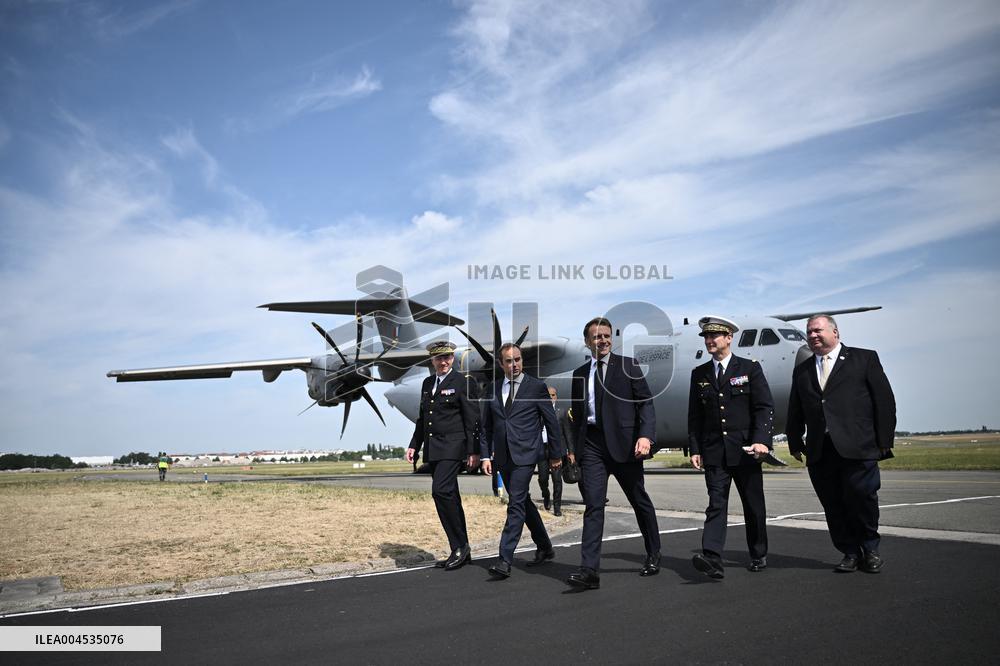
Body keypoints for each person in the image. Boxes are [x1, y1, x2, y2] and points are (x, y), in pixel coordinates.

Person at [786, 314, 896, 573]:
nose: (812, 336)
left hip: (858, 447)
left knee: (862, 499)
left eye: (817, 330)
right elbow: (795, 409)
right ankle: (849, 552)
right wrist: (794, 441)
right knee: (833, 504)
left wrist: (884, 441)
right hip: (820, 451)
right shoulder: (802, 369)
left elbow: (885, 402)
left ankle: (870, 549)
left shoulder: (864, 359)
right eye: (809, 332)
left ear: (835, 333)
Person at [566, 317, 661, 590]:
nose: (603, 340)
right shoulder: (579, 374)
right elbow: (577, 417)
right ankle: (589, 571)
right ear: (587, 341)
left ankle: (654, 552)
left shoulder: (629, 366)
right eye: (597, 337)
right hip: (593, 446)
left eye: (607, 335)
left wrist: (645, 436)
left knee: (639, 500)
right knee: (593, 506)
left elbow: (646, 403)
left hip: (625, 444)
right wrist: (574, 450)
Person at [687, 316, 775, 578]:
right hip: (714, 452)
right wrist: (695, 448)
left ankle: (758, 553)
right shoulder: (699, 374)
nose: (709, 340)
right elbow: (695, 416)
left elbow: (764, 407)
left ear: (729, 337)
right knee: (716, 505)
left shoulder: (749, 368)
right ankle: (712, 558)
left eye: (715, 335)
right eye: (706, 336)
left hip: (746, 450)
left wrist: (762, 441)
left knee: (753, 505)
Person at [480, 344, 564, 578]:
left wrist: (556, 453)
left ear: (522, 361)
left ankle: (504, 559)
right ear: (501, 364)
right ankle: (546, 547)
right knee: (523, 502)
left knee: (515, 503)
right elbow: (486, 426)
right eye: (508, 361)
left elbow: (551, 422)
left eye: (517, 359)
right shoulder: (493, 389)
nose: (514, 364)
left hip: (526, 454)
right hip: (503, 457)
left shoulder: (536, 387)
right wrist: (486, 455)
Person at [405, 341, 481, 571]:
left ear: (453, 358)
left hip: (453, 447)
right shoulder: (428, 383)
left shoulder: (463, 382)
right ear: (432, 360)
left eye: (447, 357)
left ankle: (458, 546)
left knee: (440, 491)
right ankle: (461, 547)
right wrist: (414, 445)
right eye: (439, 358)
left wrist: (473, 450)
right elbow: (423, 418)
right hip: (434, 448)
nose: (444, 362)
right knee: (450, 497)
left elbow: (472, 418)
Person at [537, 386, 574, 516]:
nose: (550, 398)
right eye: (547, 395)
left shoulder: (561, 412)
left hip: (557, 450)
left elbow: (568, 433)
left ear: (556, 397)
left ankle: (557, 507)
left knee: (557, 480)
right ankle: (545, 495)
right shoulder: (538, 412)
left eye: (552, 395)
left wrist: (571, 452)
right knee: (542, 478)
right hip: (542, 449)